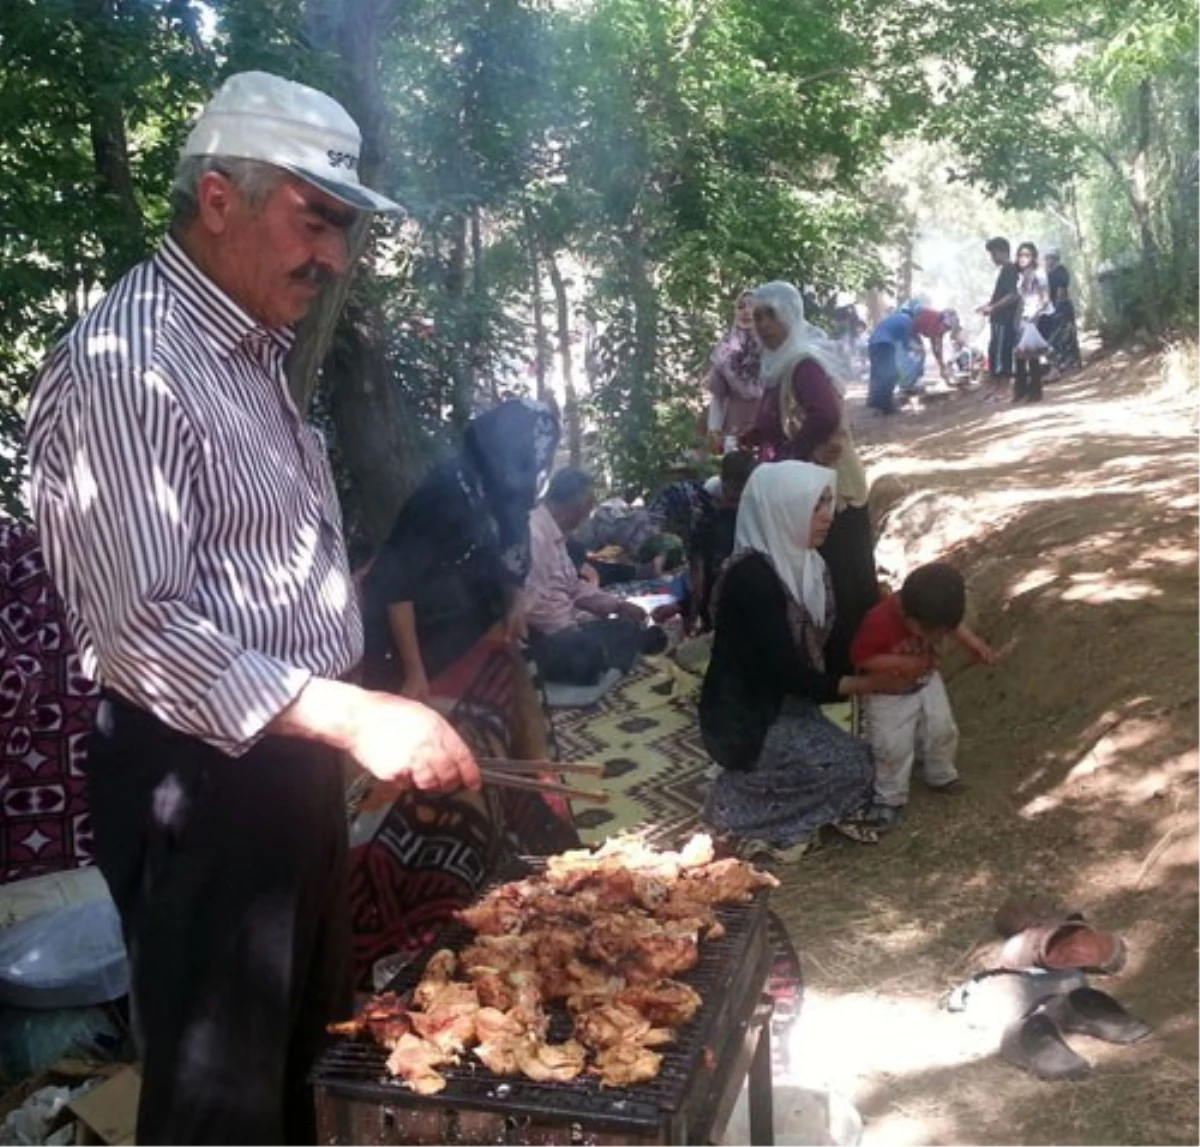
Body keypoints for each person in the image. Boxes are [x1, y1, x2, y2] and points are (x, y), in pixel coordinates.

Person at [24, 72, 479, 1147]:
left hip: (287, 761)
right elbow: (141, 629)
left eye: (347, 231)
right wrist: (354, 714)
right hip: (198, 787)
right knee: (223, 1111)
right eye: (315, 219)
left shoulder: (248, 351)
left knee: (299, 1072)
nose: (336, 258)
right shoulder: (124, 365)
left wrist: (345, 715)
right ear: (218, 198)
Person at [353, 400, 577, 982]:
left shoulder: (508, 491)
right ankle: (434, 899)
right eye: (530, 456)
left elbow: (508, 562)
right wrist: (414, 673)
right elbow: (395, 583)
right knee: (451, 771)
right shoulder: (444, 495)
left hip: (474, 635)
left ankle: (532, 848)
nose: (536, 468)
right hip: (413, 645)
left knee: (513, 741)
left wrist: (512, 611)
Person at [698, 462, 921, 861]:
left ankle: (758, 782)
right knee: (853, 770)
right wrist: (872, 685)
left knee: (870, 760)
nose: (828, 516)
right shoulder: (751, 579)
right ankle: (732, 803)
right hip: (745, 717)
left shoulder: (810, 566)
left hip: (787, 704)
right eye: (815, 506)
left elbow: (835, 647)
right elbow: (787, 673)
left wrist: (886, 655)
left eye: (827, 503)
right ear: (783, 509)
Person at [750, 281, 880, 679]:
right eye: (757, 317)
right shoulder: (778, 365)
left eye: (770, 314)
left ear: (790, 314)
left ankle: (853, 665)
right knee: (828, 577)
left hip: (831, 488)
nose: (763, 325)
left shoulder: (802, 362)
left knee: (842, 576)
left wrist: (792, 451)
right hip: (809, 487)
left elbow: (824, 414)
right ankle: (840, 663)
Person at [851, 563, 996, 827]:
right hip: (888, 694)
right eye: (932, 633)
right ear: (909, 617)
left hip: (927, 681)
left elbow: (952, 627)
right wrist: (899, 663)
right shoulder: (879, 621)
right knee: (891, 746)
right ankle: (889, 798)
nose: (937, 638)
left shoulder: (930, 613)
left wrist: (972, 642)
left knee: (941, 728)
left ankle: (940, 773)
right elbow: (862, 658)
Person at [525, 469, 663, 685]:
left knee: (623, 626)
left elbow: (573, 586)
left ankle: (614, 651)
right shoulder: (534, 535)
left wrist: (617, 605)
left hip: (563, 630)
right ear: (578, 505)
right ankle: (611, 655)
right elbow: (532, 606)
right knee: (588, 653)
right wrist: (573, 630)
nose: (588, 515)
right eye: (589, 506)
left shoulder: (555, 534)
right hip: (543, 638)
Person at [688, 450, 755, 633]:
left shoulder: (706, 521)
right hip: (746, 610)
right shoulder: (758, 523)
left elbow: (698, 582)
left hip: (716, 610)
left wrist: (691, 618)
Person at [705, 290, 763, 445]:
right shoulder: (725, 349)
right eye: (741, 306)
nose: (746, 311)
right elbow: (718, 396)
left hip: (769, 424)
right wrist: (714, 429)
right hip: (736, 428)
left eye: (752, 306)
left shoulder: (773, 346)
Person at [977, 237, 1021, 402]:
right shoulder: (1004, 270)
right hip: (997, 320)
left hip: (1004, 320)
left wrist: (994, 308)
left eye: (994, 253)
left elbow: (1012, 295)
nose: (992, 258)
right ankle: (996, 388)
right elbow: (1001, 296)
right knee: (994, 352)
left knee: (1002, 354)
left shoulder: (1010, 269)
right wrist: (988, 306)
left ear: (1002, 252)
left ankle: (1003, 390)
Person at [1013, 241, 1052, 404]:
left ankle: (1035, 391)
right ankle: (1021, 389)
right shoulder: (1021, 276)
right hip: (1024, 316)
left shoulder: (1039, 273)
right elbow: (1021, 299)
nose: (1023, 258)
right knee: (1020, 355)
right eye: (1020, 255)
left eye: (1027, 255)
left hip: (1038, 316)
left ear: (1034, 257)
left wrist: (1035, 315)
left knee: (1032, 355)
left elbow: (1045, 297)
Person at [1039, 247, 1082, 372]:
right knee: (1057, 338)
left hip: (1061, 309)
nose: (1049, 261)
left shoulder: (1060, 272)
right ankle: (1063, 366)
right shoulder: (1049, 274)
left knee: (1063, 338)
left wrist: (1057, 309)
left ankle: (1068, 366)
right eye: (1047, 258)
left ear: (1056, 259)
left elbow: (1061, 292)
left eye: (1051, 258)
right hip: (1054, 309)